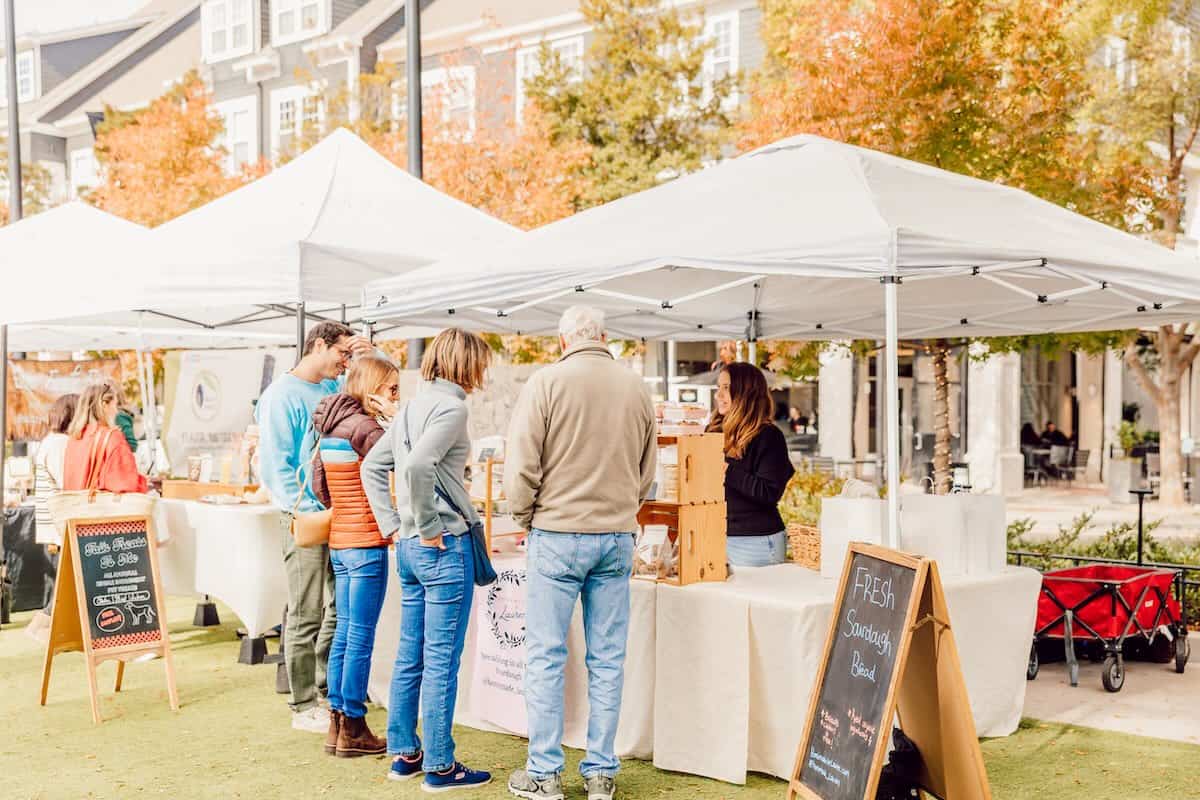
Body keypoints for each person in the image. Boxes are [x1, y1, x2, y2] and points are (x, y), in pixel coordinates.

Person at [504, 307, 657, 800]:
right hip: (615, 534)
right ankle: (600, 773)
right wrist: (623, 510)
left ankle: (545, 774)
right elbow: (647, 470)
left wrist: (525, 517)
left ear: (563, 339)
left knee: (546, 656)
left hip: (557, 531)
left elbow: (521, 465)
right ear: (605, 337)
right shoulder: (635, 387)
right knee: (608, 659)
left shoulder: (546, 383)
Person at [362, 327, 494, 792]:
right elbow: (416, 467)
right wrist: (429, 526)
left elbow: (375, 467)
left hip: (411, 550)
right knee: (441, 659)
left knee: (410, 654)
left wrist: (396, 526)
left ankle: (406, 754)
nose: (484, 371)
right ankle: (440, 765)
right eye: (481, 362)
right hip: (441, 548)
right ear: (468, 364)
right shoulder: (453, 408)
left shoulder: (414, 404)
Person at [255, 321, 372, 734]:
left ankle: (325, 691)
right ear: (319, 345)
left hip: (338, 513)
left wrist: (368, 353)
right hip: (306, 515)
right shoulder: (280, 397)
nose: (346, 360)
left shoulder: (332, 388)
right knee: (306, 611)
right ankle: (303, 703)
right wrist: (310, 509)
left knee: (338, 608)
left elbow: (378, 389)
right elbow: (275, 466)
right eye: (342, 352)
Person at [309, 355, 398, 758]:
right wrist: (394, 420)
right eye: (391, 388)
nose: (396, 395)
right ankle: (354, 726)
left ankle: (337, 723)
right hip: (366, 540)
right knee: (359, 635)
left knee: (346, 632)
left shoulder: (331, 427)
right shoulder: (366, 428)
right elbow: (406, 463)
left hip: (341, 541)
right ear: (373, 389)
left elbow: (319, 488)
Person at [707, 363, 796, 567]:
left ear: (745, 392)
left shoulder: (769, 436)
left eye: (726, 388)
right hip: (714, 534)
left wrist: (727, 471)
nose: (718, 395)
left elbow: (769, 493)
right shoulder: (712, 431)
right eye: (718, 387)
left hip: (755, 542)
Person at [63, 383, 147, 494]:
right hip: (102, 509)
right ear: (104, 405)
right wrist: (143, 481)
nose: (117, 411)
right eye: (115, 405)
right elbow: (126, 484)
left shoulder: (74, 438)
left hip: (77, 507)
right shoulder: (112, 437)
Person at [33, 394, 78, 545]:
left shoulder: (52, 439)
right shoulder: (59, 442)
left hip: (55, 524)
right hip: (57, 527)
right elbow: (65, 482)